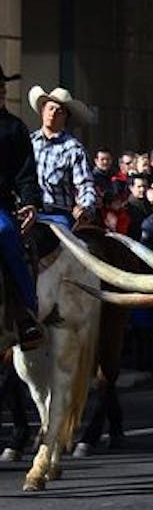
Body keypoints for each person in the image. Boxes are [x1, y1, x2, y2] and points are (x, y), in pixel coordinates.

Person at [0, 64, 44, 348]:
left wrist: (29, 202)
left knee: (4, 232)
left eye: (1, 87)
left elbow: (26, 174)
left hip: (0, 206)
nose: (1, 91)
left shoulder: (14, 128)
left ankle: (26, 313)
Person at [27, 85, 97, 228]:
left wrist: (85, 207)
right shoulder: (29, 142)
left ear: (65, 117)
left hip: (58, 214)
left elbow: (84, 184)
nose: (53, 113)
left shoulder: (73, 148)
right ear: (42, 111)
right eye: (50, 108)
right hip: (28, 210)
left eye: (59, 111)